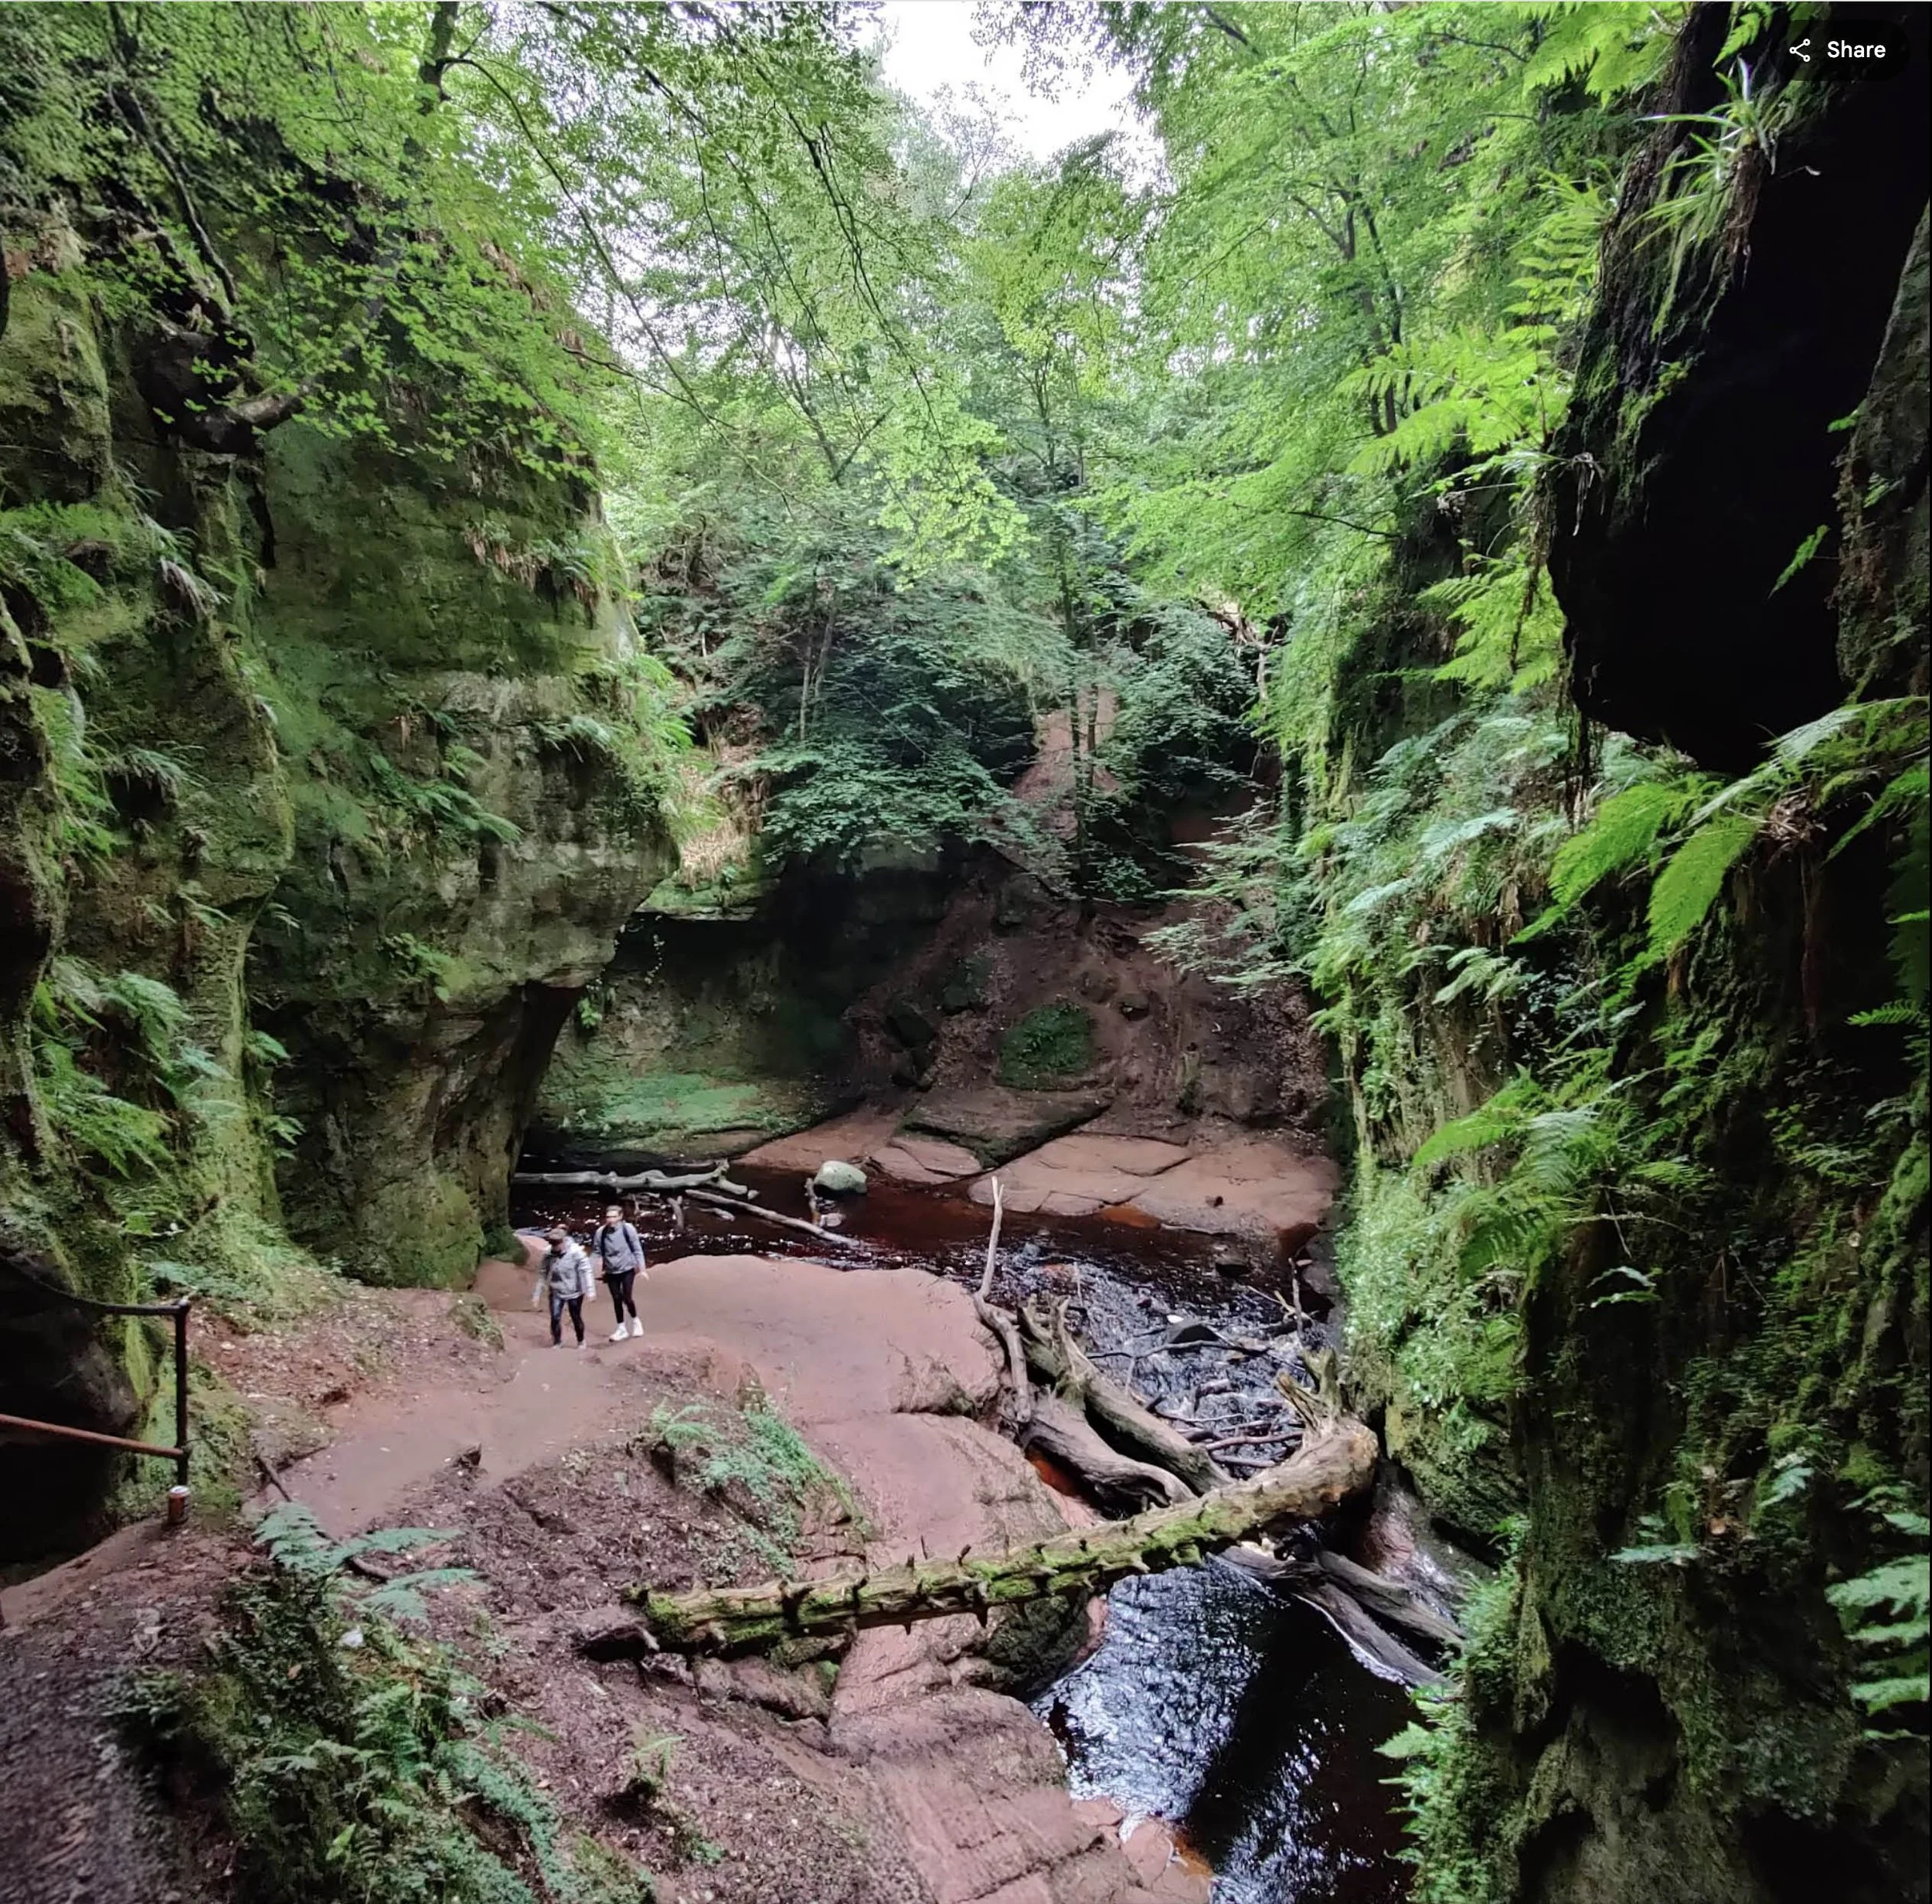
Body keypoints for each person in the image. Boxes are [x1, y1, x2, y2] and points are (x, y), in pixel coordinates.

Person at [591, 1202, 647, 1341]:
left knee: (627, 1297)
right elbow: (596, 1252)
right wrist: (588, 1269)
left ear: (620, 1217)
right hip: (611, 1271)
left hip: (627, 1268)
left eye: (613, 1217)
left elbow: (637, 1250)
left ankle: (635, 1321)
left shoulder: (628, 1229)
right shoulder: (601, 1232)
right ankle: (621, 1328)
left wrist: (642, 1269)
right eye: (608, 1217)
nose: (610, 1220)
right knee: (616, 1298)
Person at [531, 1225, 594, 1348]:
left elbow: (586, 1270)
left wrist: (590, 1290)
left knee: (576, 1317)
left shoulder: (576, 1252)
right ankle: (557, 1342)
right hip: (556, 1290)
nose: (554, 1247)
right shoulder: (548, 1253)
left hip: (574, 1291)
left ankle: (581, 1341)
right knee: (555, 1317)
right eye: (552, 1244)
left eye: (557, 1243)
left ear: (563, 1241)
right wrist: (537, 1295)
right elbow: (543, 1274)